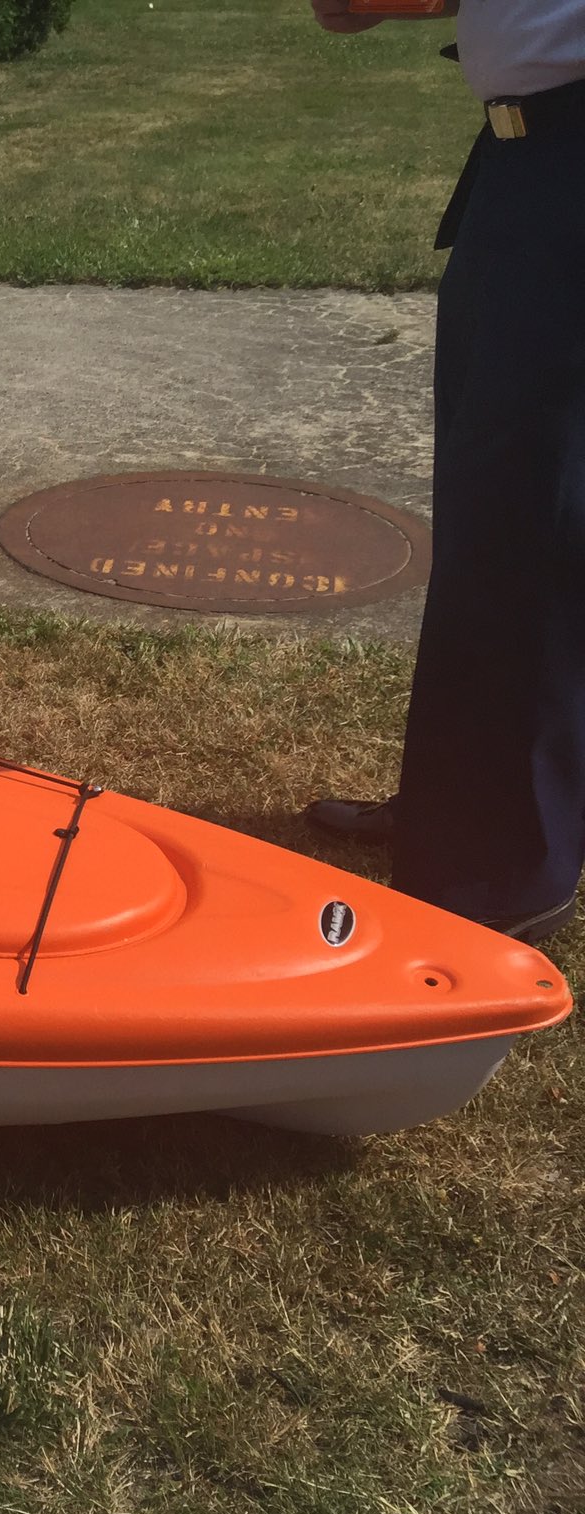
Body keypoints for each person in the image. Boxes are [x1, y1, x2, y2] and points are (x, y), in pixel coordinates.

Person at [304, 0, 585, 944]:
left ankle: (505, 866)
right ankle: (464, 807)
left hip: (568, 154)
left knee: (530, 516)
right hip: (523, 156)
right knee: (496, 506)